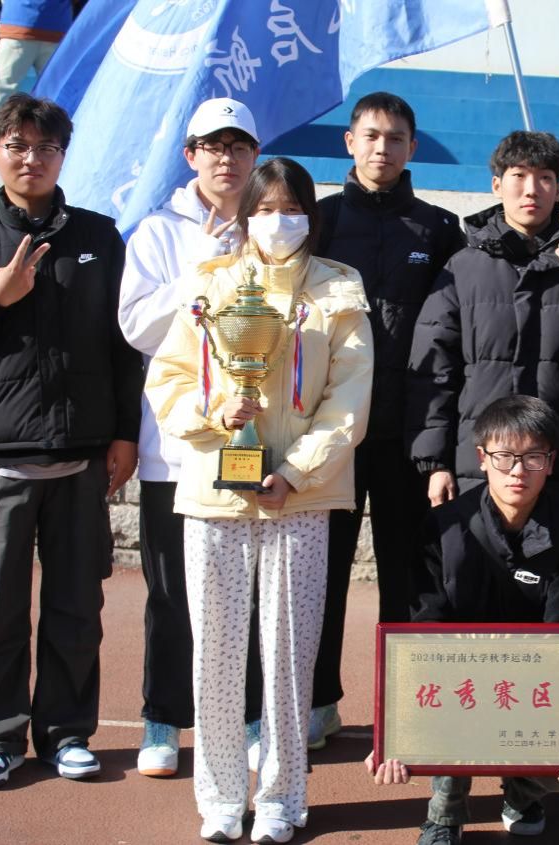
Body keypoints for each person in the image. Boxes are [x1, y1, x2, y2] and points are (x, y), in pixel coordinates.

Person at [145, 157, 374, 844]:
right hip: (214, 490)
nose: (279, 222)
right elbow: (169, 378)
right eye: (266, 209)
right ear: (246, 216)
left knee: (289, 654)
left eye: (292, 209)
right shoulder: (209, 282)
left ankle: (281, 795)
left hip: (299, 498)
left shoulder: (338, 287)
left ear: (311, 216)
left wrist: (296, 472)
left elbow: (348, 398)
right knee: (214, 652)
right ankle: (219, 797)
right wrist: (214, 413)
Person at [0, 93, 141, 788]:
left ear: (62, 156)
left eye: (46, 148)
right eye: (17, 145)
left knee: (77, 611)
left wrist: (126, 434)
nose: (31, 159)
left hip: (79, 459)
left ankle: (67, 733)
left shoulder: (100, 238)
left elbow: (123, 346)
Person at [365, 395, 559, 845]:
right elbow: (424, 630)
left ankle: (523, 791)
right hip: (460, 680)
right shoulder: (442, 527)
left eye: (533, 457)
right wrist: (396, 732)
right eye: (504, 456)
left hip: (532, 680)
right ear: (482, 458)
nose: (518, 471)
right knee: (446, 704)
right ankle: (444, 812)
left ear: (551, 462)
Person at [309, 91, 465, 750]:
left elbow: (456, 334)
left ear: (412, 147)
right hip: (332, 435)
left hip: (409, 436)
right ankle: (317, 701)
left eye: (396, 137)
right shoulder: (317, 220)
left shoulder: (438, 229)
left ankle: (406, 705)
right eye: (371, 135)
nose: (383, 147)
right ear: (349, 142)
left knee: (411, 579)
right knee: (322, 577)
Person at [118, 97, 265, 778]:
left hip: (252, 442)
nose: (225, 159)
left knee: (252, 591)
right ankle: (162, 718)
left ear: (254, 155)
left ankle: (250, 716)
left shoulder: (271, 227)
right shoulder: (158, 232)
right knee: (171, 592)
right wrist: (199, 273)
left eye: (238, 146)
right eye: (212, 146)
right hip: (175, 451)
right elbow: (137, 329)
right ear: (190, 155)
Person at [406, 130, 559, 511]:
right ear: (497, 184)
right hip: (478, 464)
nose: (532, 189)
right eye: (519, 176)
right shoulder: (462, 268)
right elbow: (433, 373)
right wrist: (436, 463)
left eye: (545, 178)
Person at [0, 0, 72, 166]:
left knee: (1, 90)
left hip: (19, 23)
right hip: (57, 27)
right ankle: (62, 150)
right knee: (58, 93)